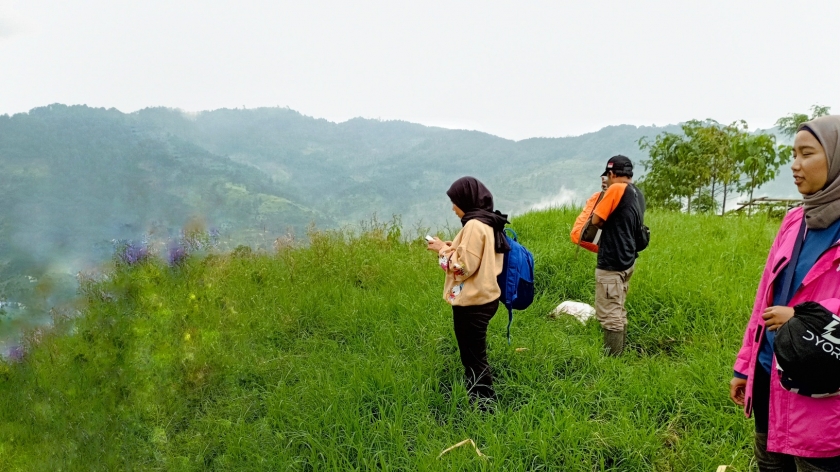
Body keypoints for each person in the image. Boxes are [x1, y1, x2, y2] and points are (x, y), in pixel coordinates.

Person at [730, 115, 840, 470]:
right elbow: (765, 296)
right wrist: (745, 367)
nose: (795, 165)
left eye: (806, 153)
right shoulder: (794, 220)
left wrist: (803, 317)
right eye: (793, 154)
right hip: (769, 377)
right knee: (770, 463)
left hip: (821, 388)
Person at [427, 176, 509, 406]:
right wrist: (449, 246)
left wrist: (442, 250)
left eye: (455, 202)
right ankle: (478, 398)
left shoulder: (474, 225)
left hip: (474, 303)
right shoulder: (487, 221)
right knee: (473, 354)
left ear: (466, 199)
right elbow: (474, 256)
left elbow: (462, 267)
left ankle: (485, 407)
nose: (453, 208)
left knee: (473, 358)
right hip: (486, 297)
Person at [590, 155, 646, 356]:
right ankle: (619, 358)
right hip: (628, 259)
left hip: (612, 262)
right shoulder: (637, 192)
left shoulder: (616, 189)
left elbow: (596, 219)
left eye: (608, 175)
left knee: (609, 314)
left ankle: (612, 362)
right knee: (618, 310)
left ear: (612, 174)